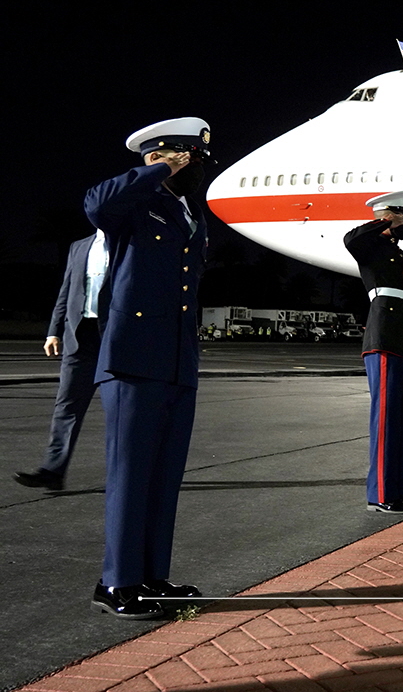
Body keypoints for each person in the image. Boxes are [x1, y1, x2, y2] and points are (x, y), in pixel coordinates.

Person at [84, 117, 211, 620]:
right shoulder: (136, 204)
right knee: (131, 475)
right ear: (162, 157)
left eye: (198, 162)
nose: (195, 170)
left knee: (164, 477)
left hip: (178, 361)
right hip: (133, 359)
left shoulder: (188, 213)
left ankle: (153, 576)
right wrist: (153, 173)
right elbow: (95, 203)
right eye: (189, 160)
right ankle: (115, 583)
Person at [344, 190, 403, 516]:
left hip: (402, 338)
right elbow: (350, 239)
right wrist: (380, 223)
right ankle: (379, 494)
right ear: (387, 215)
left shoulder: (398, 253)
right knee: (385, 421)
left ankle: (397, 491)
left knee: (400, 421)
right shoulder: (369, 246)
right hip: (383, 338)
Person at [13, 232, 107, 491]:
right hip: (78, 337)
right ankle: (53, 471)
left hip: (115, 340)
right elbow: (67, 290)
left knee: (121, 414)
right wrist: (53, 331)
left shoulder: (131, 241)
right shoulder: (79, 246)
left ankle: (132, 473)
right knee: (67, 407)